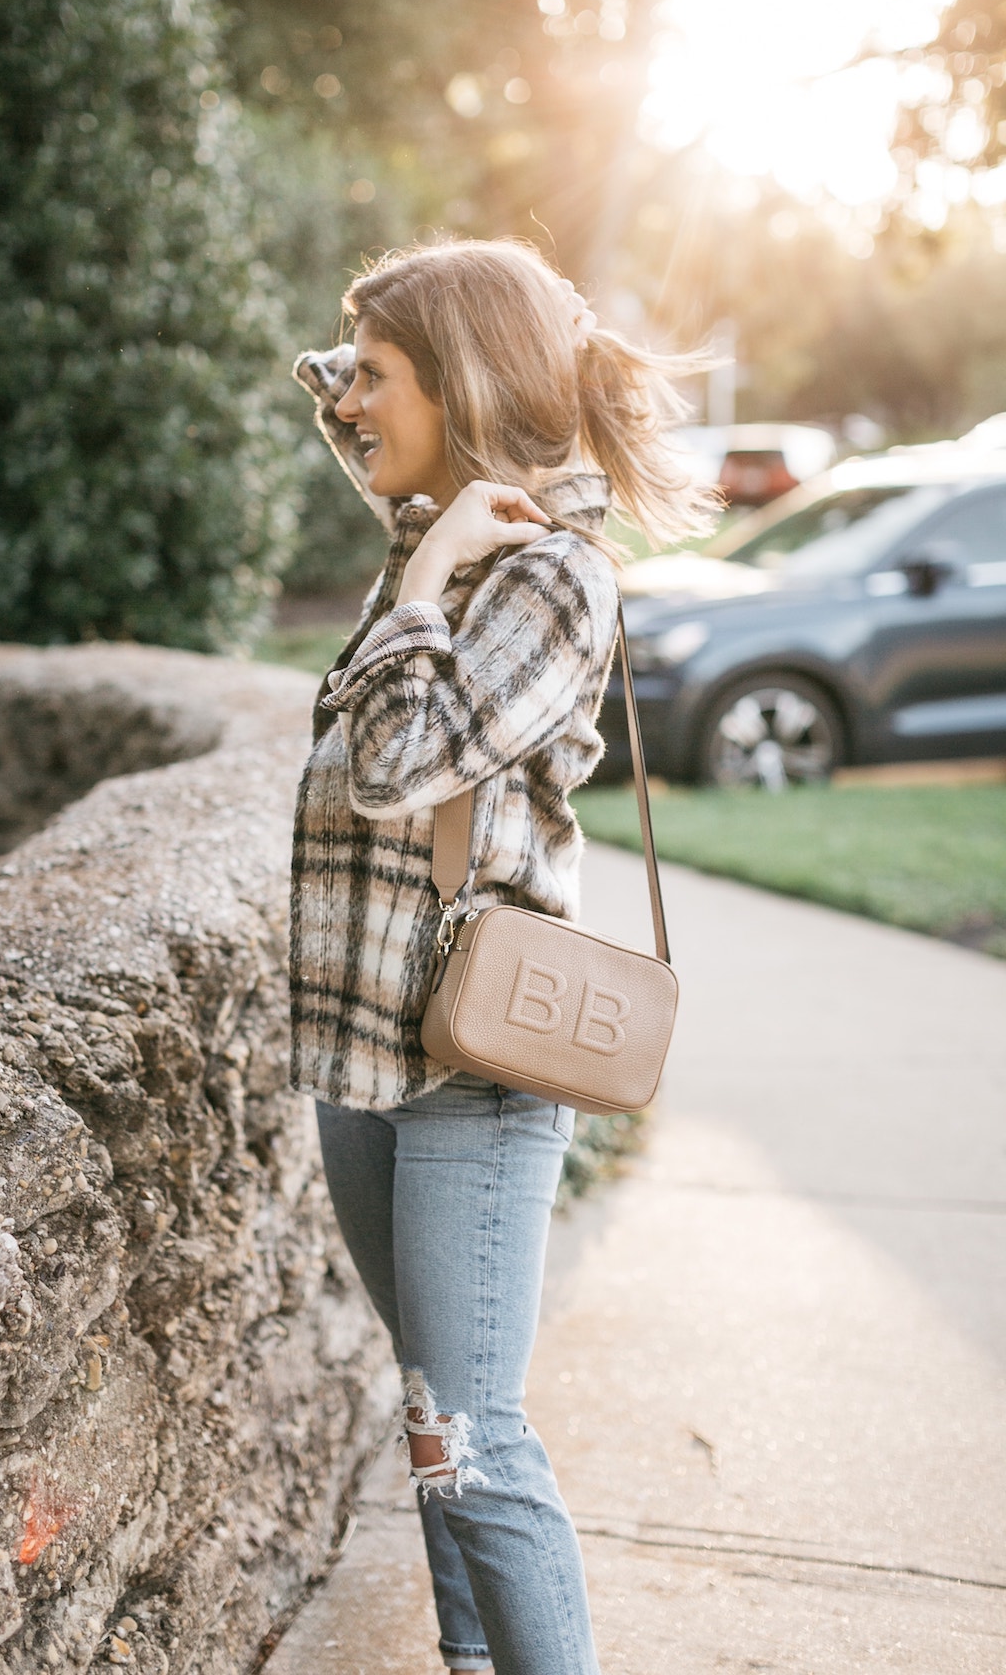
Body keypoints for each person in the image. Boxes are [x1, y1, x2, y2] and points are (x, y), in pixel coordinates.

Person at [289, 240, 713, 1675]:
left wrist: (438, 556)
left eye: (377, 377)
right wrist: (412, 470)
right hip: (366, 1058)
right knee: (432, 1418)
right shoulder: (441, 533)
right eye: (348, 375)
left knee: (472, 1432)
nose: (347, 402)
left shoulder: (544, 578)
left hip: (464, 1065)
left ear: (459, 390)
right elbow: (347, 399)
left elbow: (406, 759)